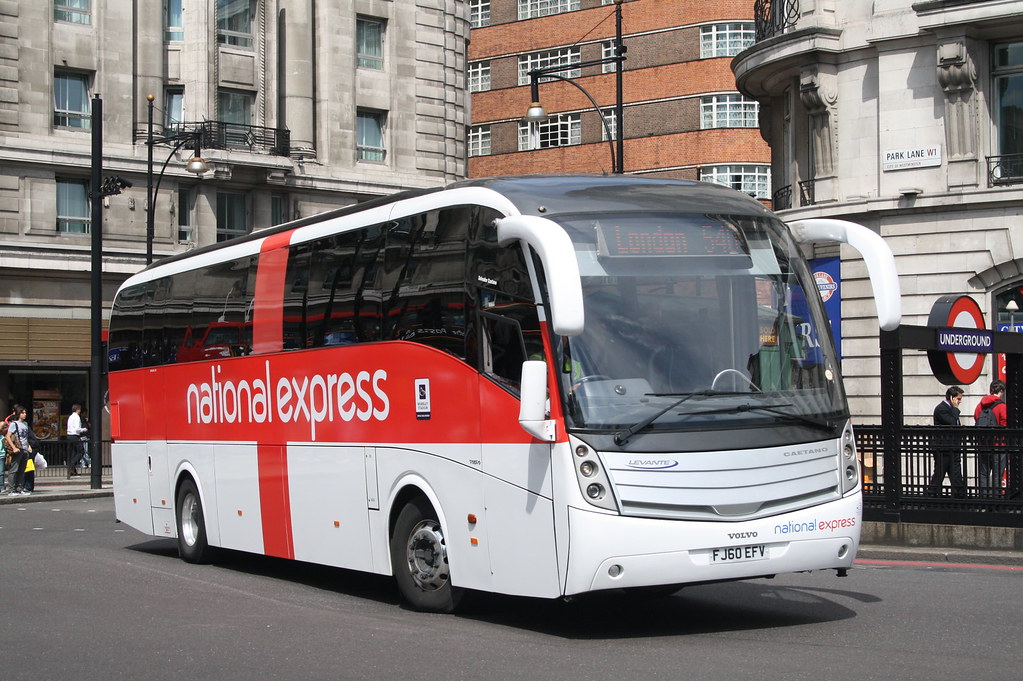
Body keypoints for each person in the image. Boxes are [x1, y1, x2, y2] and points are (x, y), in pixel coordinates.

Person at [927, 386, 966, 497]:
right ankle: (932, 495)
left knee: (956, 475)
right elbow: (952, 422)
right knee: (939, 473)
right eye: (958, 399)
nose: (960, 402)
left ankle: (960, 496)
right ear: (951, 397)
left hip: (954, 448)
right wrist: (955, 408)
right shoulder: (941, 409)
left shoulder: (950, 410)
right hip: (944, 449)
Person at [974, 379, 1008, 496]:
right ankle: (996, 498)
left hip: (983, 444)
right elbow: (1005, 424)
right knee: (997, 474)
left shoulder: (980, 406)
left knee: (983, 473)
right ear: (1001, 391)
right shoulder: (1002, 407)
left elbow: (976, 419)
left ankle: (984, 498)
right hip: (998, 445)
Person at [7, 404, 33, 496]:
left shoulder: (25, 424)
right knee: (14, 470)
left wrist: (29, 446)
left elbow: (25, 437)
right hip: (18, 449)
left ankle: (19, 488)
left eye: (25, 413)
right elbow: (8, 436)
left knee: (22, 470)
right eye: (22, 413)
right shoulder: (14, 424)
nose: (25, 414)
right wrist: (14, 448)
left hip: (25, 449)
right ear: (18, 414)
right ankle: (11, 490)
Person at [66, 403, 88, 477]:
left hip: (69, 436)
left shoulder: (70, 417)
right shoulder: (77, 417)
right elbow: (77, 429)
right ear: (77, 409)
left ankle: (72, 470)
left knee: (73, 452)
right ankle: (72, 465)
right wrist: (83, 429)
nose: (80, 411)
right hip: (75, 436)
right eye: (79, 409)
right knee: (81, 451)